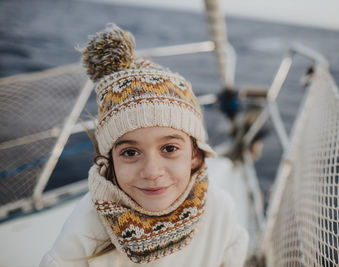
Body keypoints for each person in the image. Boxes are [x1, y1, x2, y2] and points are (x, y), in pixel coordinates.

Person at [40, 24, 248, 267]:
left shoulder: (220, 211)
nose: (152, 171)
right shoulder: (86, 232)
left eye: (169, 149)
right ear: (110, 161)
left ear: (195, 154)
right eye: (130, 152)